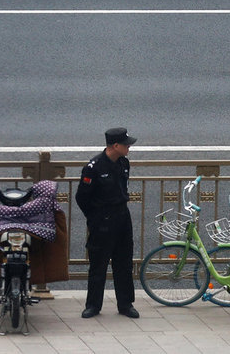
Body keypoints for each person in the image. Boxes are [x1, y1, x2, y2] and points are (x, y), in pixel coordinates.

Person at [75, 127, 139, 319]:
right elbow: (82, 198)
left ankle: (125, 304)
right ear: (115, 145)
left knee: (124, 263)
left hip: (122, 217)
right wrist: (95, 218)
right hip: (102, 220)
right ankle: (93, 305)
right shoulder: (93, 168)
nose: (129, 148)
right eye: (126, 144)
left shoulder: (123, 163)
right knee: (98, 265)